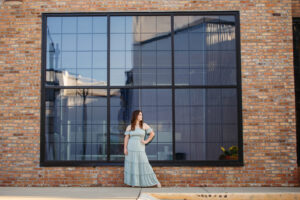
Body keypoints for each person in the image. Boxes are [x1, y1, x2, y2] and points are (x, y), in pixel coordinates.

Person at [123, 110, 162, 188]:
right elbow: (126, 138)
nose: (141, 116)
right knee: (133, 165)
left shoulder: (144, 125)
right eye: (140, 115)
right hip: (131, 148)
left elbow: (152, 134)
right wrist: (125, 148)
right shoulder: (130, 126)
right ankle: (134, 183)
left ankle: (155, 182)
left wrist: (146, 141)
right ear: (136, 116)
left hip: (140, 148)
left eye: (141, 115)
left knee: (145, 164)